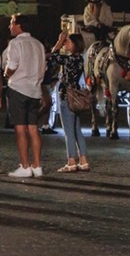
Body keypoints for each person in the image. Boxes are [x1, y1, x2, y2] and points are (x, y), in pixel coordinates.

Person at [2, 14, 48, 178]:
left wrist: (7, 73)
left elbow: (12, 66)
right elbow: (43, 68)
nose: (9, 26)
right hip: (34, 90)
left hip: (18, 89)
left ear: (19, 26)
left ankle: (25, 166)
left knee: (20, 129)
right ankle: (37, 165)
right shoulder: (38, 44)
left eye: (12, 23)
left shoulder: (15, 43)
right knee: (34, 128)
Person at [47, 32, 90, 172]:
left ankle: (71, 161)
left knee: (69, 132)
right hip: (76, 96)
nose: (66, 44)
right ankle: (83, 160)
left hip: (67, 96)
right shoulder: (80, 59)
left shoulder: (69, 60)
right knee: (77, 130)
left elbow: (52, 58)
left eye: (68, 42)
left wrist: (59, 41)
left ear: (75, 44)